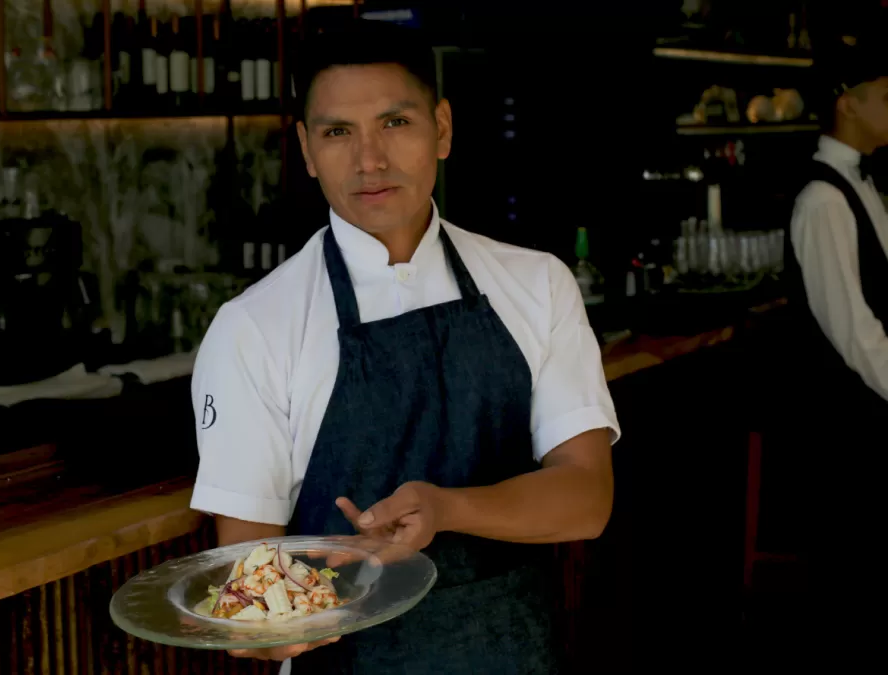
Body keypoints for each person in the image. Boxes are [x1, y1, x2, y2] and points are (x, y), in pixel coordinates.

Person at [189, 20, 618, 674]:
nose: (370, 160)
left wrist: (446, 507)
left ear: (442, 129)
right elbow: (248, 569)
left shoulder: (537, 284)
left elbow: (587, 499)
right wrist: (267, 621)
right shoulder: (254, 326)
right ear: (306, 148)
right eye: (338, 132)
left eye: (395, 123)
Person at [781, 34, 888, 670]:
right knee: (856, 592)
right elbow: (856, 334)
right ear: (847, 103)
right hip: (850, 434)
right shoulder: (821, 201)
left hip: (871, 418)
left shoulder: (865, 185)